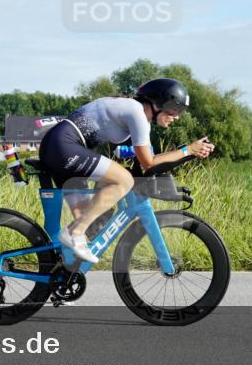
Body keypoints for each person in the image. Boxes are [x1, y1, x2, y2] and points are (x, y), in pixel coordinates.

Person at [37, 78, 215, 263]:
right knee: (124, 181)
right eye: (174, 109)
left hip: (60, 147)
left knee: (87, 221)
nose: (176, 116)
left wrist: (187, 153)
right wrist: (188, 150)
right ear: (158, 103)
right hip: (63, 146)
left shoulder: (138, 116)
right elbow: (149, 163)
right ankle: (74, 232)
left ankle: (60, 270)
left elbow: (148, 160)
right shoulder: (136, 112)